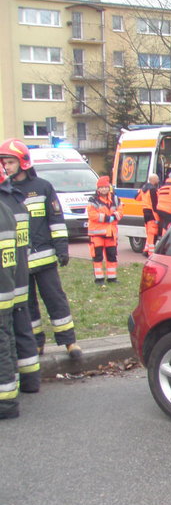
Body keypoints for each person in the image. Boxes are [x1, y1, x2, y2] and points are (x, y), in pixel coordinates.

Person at [0, 139, 82, 360]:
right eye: (3, 162)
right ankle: (36, 344)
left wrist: (62, 248)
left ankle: (69, 342)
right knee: (28, 306)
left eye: (10, 162)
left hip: (44, 259)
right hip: (19, 263)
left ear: (23, 162)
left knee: (55, 299)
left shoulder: (42, 187)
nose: (6, 167)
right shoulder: (5, 192)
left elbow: (55, 220)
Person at [0, 170, 40, 393]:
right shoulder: (16, 200)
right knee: (21, 326)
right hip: (18, 275)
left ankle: (8, 392)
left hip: (6, 281)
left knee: (5, 336)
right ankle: (30, 381)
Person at [0, 191, 19, 419]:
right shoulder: (6, 209)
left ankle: (5, 403)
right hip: (7, 285)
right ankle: (11, 388)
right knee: (7, 338)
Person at [87, 176, 123, 285]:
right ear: (98, 189)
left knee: (111, 255)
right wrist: (108, 218)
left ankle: (112, 278)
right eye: (101, 187)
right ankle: (99, 279)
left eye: (105, 187)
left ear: (109, 188)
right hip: (97, 233)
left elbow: (121, 211)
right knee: (97, 257)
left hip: (111, 233)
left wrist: (115, 216)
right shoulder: (93, 200)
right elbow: (92, 215)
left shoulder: (115, 199)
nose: (103, 189)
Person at [137, 173, 160, 256]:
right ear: (153, 180)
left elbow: (136, 198)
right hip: (151, 213)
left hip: (145, 212)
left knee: (148, 232)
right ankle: (150, 252)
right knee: (152, 232)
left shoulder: (144, 189)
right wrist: (157, 218)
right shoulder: (153, 190)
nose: (158, 181)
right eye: (157, 179)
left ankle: (146, 250)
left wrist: (140, 191)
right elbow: (155, 205)